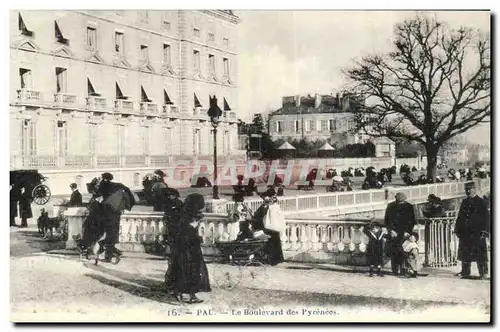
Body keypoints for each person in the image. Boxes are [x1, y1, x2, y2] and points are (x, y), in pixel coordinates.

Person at [167, 193, 211, 303]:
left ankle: (180, 293)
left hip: (182, 248)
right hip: (190, 248)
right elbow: (188, 232)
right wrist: (195, 227)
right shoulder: (190, 215)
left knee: (181, 270)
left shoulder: (182, 212)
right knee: (192, 271)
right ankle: (191, 295)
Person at [94, 172, 136, 262]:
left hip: (107, 213)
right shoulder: (117, 186)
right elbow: (126, 190)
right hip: (116, 213)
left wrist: (98, 182)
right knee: (112, 235)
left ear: (104, 178)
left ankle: (111, 254)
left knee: (108, 235)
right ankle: (112, 253)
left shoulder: (104, 186)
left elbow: (96, 191)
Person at [454, 182, 490, 279]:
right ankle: (465, 272)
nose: (468, 191)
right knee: (465, 252)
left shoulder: (481, 201)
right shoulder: (464, 202)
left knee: (480, 253)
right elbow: (460, 216)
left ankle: (483, 273)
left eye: (470, 189)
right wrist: (457, 229)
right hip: (465, 232)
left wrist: (485, 231)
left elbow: (486, 217)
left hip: (477, 232)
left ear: (475, 189)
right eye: (466, 189)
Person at [384, 192, 416, 276]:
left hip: (404, 233)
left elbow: (412, 221)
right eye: (399, 201)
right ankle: (394, 269)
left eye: (401, 201)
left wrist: (408, 232)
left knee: (403, 252)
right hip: (393, 233)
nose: (400, 202)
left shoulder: (409, 206)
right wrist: (390, 230)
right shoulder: (390, 206)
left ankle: (402, 269)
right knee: (394, 252)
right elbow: (386, 220)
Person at [250, 194, 285, 266]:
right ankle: (274, 259)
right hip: (272, 228)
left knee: (273, 244)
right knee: (273, 244)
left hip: (271, 228)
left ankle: (275, 259)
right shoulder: (274, 208)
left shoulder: (271, 208)